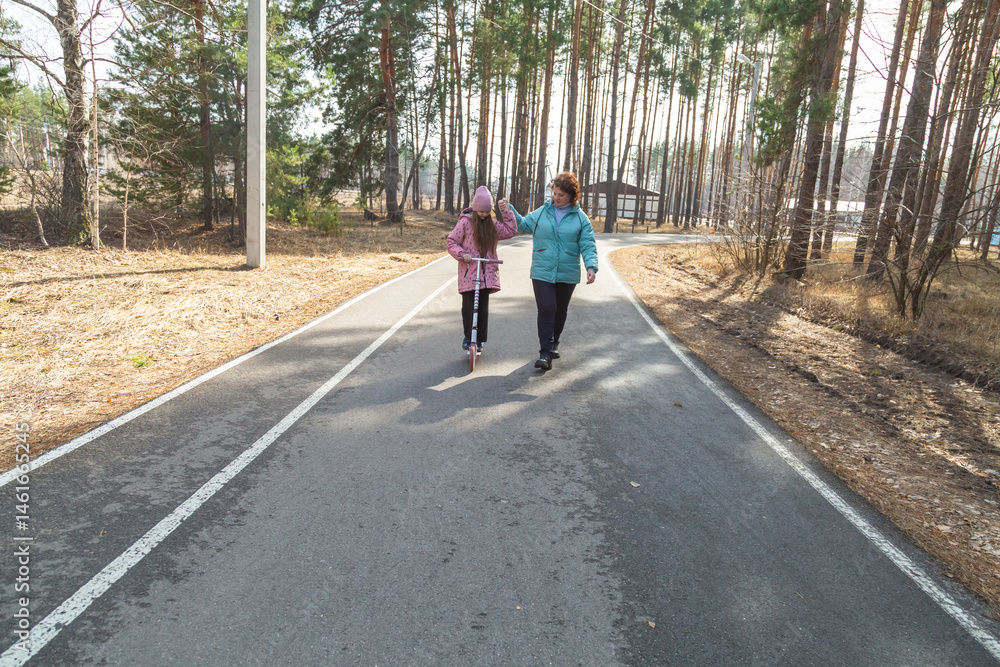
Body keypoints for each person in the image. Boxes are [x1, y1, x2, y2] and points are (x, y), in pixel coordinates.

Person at [500, 172, 598, 370]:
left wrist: (591, 267)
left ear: (572, 196)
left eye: (561, 194)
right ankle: (545, 353)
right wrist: (509, 210)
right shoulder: (542, 212)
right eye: (554, 193)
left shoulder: (581, 219)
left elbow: (588, 244)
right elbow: (523, 225)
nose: (556, 197)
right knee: (546, 308)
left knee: (560, 311)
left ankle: (554, 343)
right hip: (542, 270)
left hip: (567, 272)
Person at [446, 185, 517, 355]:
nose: (484, 214)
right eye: (481, 211)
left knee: (482, 308)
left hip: (486, 275)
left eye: (487, 211)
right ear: (475, 209)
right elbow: (451, 242)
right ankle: (468, 337)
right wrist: (462, 254)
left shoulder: (493, 225)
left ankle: (479, 339)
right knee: (468, 306)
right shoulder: (465, 223)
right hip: (469, 272)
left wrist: (506, 211)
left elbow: (510, 231)